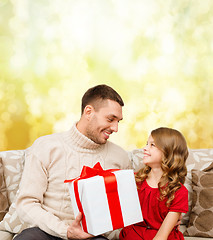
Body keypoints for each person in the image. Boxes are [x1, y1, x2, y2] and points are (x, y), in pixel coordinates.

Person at [14, 84, 132, 240]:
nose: (115, 128)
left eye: (118, 121)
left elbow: (125, 211)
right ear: (88, 112)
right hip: (46, 232)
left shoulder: (120, 157)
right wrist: (65, 231)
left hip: (92, 236)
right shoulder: (46, 147)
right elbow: (26, 204)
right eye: (110, 119)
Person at [119, 127, 188, 240]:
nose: (145, 148)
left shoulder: (179, 192)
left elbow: (161, 236)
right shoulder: (133, 180)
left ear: (168, 152)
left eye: (152, 145)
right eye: (147, 144)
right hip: (133, 235)